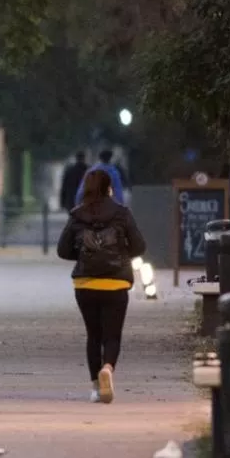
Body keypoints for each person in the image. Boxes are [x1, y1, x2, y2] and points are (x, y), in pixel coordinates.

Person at [56, 169, 146, 404]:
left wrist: (85, 255)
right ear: (110, 188)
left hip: (85, 283)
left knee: (93, 335)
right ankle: (108, 368)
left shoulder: (77, 215)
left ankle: (96, 387)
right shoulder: (122, 214)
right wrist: (120, 252)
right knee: (112, 336)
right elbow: (139, 246)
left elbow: (63, 251)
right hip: (116, 282)